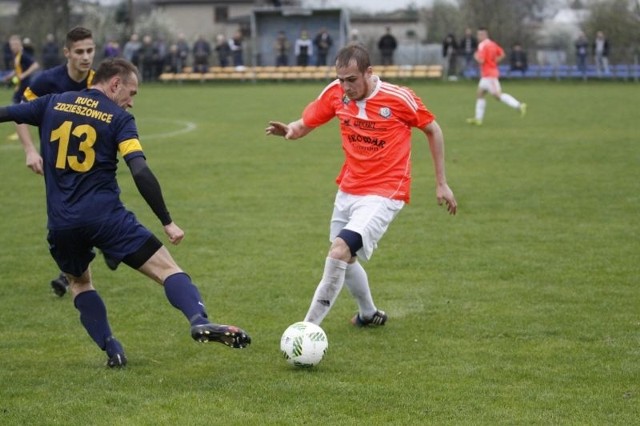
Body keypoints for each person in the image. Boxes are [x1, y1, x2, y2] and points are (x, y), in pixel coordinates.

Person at [0, 57, 251, 367]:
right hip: (107, 219)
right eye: (131, 93)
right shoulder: (118, 118)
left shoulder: (52, 103)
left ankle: (111, 348)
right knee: (168, 270)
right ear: (114, 84)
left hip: (62, 224)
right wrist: (167, 221)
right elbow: (140, 171)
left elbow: (6, 112)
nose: (131, 102)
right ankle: (198, 319)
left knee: (79, 284)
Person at [265, 43, 457, 328]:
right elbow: (306, 122)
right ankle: (369, 314)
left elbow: (433, 129)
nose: (345, 87)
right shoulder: (335, 93)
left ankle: (307, 329)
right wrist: (291, 130)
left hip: (386, 191)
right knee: (346, 256)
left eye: (351, 80)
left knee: (340, 250)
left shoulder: (398, 98)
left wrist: (441, 182)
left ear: (369, 72)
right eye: (341, 80)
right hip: (349, 187)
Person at [16, 27, 117, 297]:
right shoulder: (46, 82)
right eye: (79, 52)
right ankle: (103, 248)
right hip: (57, 166)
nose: (86, 57)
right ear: (67, 53)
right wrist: (30, 150)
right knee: (69, 219)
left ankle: (70, 274)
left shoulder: (100, 83)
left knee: (80, 214)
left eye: (90, 50)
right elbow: (21, 115)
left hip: (91, 164)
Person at [466, 28, 526, 126]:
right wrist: (493, 62)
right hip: (487, 75)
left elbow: (481, 60)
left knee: (498, 96)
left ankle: (519, 105)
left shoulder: (482, 45)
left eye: (479, 35)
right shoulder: (493, 44)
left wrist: (475, 56)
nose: (478, 37)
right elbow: (502, 54)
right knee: (480, 94)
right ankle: (478, 119)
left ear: (483, 35)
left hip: (489, 75)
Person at [2, 35, 40, 141]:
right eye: (11, 45)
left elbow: (35, 65)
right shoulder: (17, 56)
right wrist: (9, 76)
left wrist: (24, 75)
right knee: (17, 109)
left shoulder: (23, 55)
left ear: (19, 44)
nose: (12, 47)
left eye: (14, 44)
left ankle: (20, 133)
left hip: (24, 86)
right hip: (20, 86)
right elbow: (18, 69)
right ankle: (19, 132)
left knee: (17, 109)